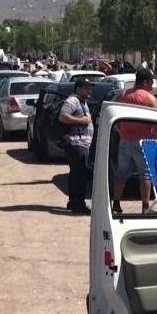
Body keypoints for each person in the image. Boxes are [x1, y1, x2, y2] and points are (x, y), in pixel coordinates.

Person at [112, 67, 157, 214]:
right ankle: (145, 207)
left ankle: (116, 204)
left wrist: (122, 132)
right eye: (151, 81)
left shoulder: (123, 95)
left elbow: (116, 121)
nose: (152, 85)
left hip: (125, 141)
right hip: (143, 142)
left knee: (121, 174)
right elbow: (156, 124)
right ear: (145, 82)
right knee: (145, 175)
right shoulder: (150, 99)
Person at [58, 79, 94, 214]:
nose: (89, 90)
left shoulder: (82, 102)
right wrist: (82, 121)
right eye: (86, 88)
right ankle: (78, 205)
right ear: (78, 89)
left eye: (90, 88)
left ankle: (74, 202)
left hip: (81, 144)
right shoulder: (72, 101)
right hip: (76, 143)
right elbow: (62, 116)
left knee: (78, 174)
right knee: (79, 175)